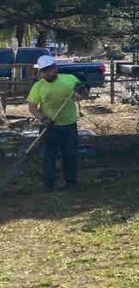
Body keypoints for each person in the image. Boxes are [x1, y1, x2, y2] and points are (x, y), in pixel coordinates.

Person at [27, 55, 86, 190]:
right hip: (48, 127)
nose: (48, 73)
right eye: (44, 71)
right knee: (49, 156)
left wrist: (82, 91)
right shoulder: (38, 86)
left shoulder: (70, 80)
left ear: (56, 68)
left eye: (50, 69)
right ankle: (49, 184)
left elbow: (81, 96)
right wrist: (43, 119)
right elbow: (32, 107)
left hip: (69, 125)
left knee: (70, 154)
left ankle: (71, 183)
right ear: (40, 72)